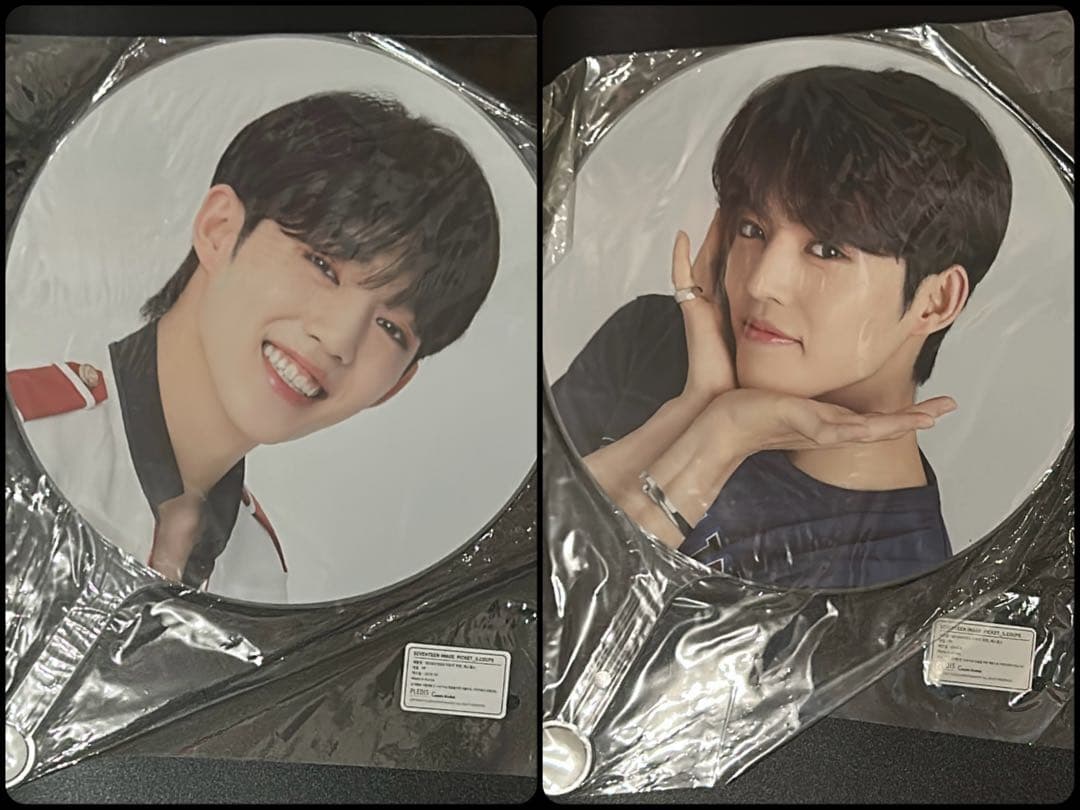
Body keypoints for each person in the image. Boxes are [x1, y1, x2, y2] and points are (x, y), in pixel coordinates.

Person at [8, 91, 500, 603]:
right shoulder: (30, 438)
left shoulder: (258, 574)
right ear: (220, 231)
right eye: (323, 265)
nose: (338, 339)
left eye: (391, 328)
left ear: (394, 386)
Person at [552, 66, 1012, 589]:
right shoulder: (654, 338)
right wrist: (696, 407)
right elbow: (513, 552)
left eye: (827, 250)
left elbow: (572, 621)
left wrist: (721, 439)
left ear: (936, 300)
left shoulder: (889, 572)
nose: (761, 282)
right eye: (753, 229)